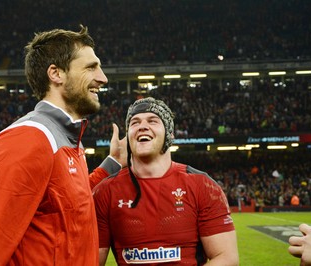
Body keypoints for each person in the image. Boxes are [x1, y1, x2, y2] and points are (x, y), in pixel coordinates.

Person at [0, 25, 125, 265]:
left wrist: (113, 163)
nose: (103, 78)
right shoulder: (29, 138)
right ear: (56, 74)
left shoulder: (66, 138)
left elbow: (67, 204)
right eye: (91, 67)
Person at [93, 97, 239, 265]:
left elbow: (226, 258)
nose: (142, 126)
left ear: (170, 134)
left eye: (153, 121)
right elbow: (92, 260)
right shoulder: (105, 191)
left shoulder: (203, 186)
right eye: (134, 123)